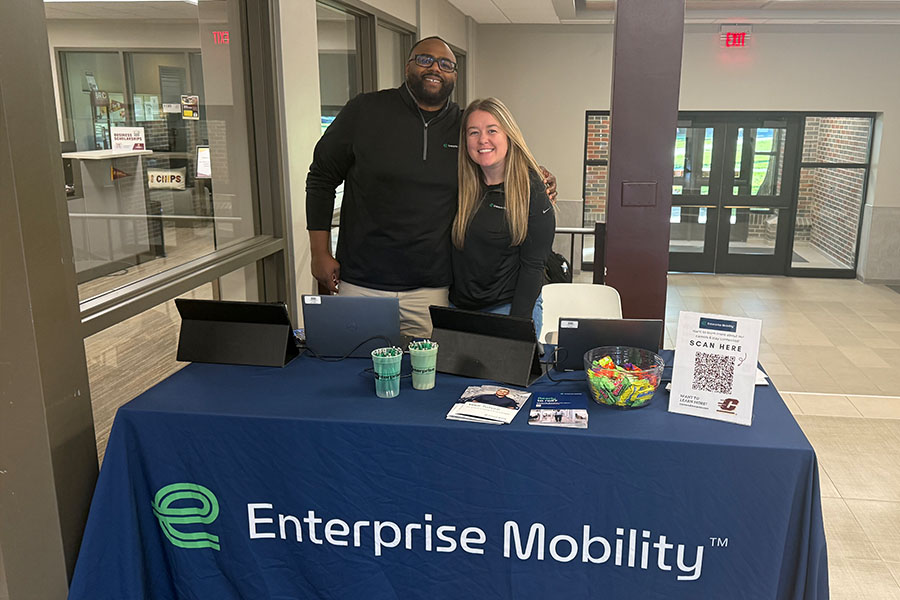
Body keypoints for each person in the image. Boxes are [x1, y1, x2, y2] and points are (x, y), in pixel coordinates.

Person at [306, 37, 555, 338]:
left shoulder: (463, 127)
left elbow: (500, 156)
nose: (435, 68)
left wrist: (538, 177)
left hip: (432, 291)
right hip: (361, 282)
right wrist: (319, 252)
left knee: (428, 380)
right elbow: (321, 177)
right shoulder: (365, 110)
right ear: (408, 66)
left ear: (454, 76)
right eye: (425, 59)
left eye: (446, 64)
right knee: (349, 369)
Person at [448, 98, 555, 337]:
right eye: (473, 132)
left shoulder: (532, 190)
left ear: (509, 135)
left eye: (492, 131)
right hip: (459, 311)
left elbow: (533, 267)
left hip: (509, 310)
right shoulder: (460, 185)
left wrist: (514, 330)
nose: (482, 139)